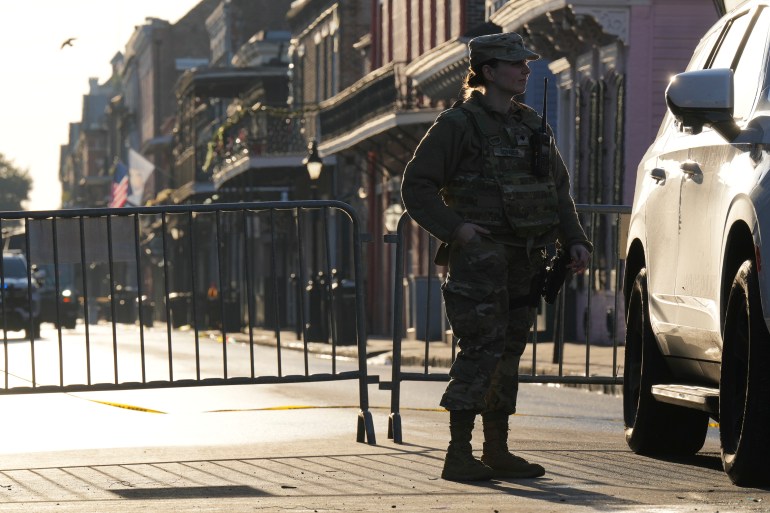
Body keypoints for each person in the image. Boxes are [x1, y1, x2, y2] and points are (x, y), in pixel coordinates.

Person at [400, 32, 591, 482]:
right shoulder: (457, 125)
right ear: (488, 71)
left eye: (525, 63)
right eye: (515, 63)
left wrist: (576, 241)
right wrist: (457, 229)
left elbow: (558, 191)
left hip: (525, 260)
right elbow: (417, 186)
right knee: (479, 352)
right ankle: (458, 453)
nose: (525, 70)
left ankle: (497, 450)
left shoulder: (530, 125)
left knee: (508, 354)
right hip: (480, 262)